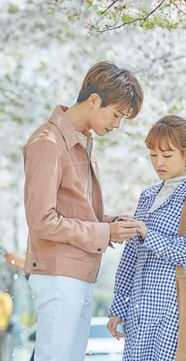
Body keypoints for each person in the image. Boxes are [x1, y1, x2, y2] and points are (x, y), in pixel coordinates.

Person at [23, 61, 143, 361]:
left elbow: (74, 213)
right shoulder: (48, 142)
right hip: (58, 275)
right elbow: (42, 220)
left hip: (79, 274)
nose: (116, 125)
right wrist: (104, 231)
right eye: (116, 114)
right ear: (94, 101)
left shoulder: (81, 142)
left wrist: (111, 223)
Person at [107, 115, 186, 361]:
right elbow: (130, 257)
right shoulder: (147, 196)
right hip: (138, 311)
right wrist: (118, 306)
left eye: (167, 155)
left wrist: (149, 235)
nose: (158, 163)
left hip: (173, 311)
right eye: (153, 155)